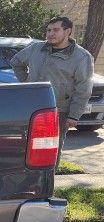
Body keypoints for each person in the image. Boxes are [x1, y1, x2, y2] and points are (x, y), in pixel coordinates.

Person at [9, 16, 94, 158]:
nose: (50, 34)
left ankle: (48, 180)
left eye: (55, 30)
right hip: (31, 106)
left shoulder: (81, 57)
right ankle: (29, 179)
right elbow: (16, 61)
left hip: (58, 111)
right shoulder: (36, 48)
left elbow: (83, 87)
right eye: (48, 30)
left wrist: (74, 114)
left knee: (49, 150)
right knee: (26, 147)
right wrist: (26, 82)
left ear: (68, 32)